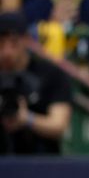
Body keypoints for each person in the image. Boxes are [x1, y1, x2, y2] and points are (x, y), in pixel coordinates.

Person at [0, 11, 71, 155]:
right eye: (1, 43)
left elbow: (59, 124)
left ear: (26, 40)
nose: (6, 51)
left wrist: (27, 119)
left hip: (41, 162)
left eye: (13, 43)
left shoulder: (50, 73)